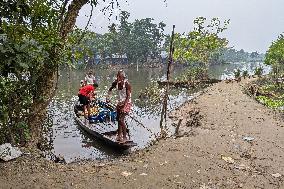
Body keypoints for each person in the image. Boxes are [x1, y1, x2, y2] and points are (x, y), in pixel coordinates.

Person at [106, 70, 132, 142]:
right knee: (118, 119)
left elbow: (128, 96)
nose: (118, 78)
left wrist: (124, 106)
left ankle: (125, 137)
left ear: (123, 77)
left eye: (120, 77)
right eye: (118, 76)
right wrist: (108, 97)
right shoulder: (115, 83)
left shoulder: (127, 84)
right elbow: (110, 89)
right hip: (120, 102)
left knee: (121, 119)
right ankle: (119, 135)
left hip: (127, 103)